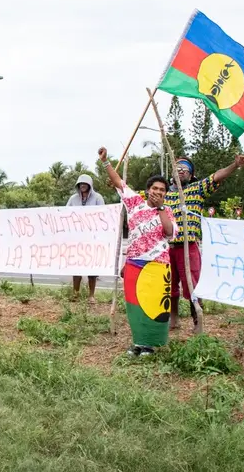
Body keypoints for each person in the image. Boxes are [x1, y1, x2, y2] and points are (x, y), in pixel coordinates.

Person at [99, 147, 177, 356]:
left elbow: (169, 233)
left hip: (157, 266)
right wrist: (106, 162)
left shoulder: (167, 211)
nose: (158, 192)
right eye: (155, 188)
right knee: (135, 305)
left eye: (162, 190)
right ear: (148, 190)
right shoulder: (135, 203)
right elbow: (119, 183)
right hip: (134, 264)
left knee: (154, 305)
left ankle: (152, 344)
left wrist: (161, 209)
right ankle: (138, 342)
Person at [163, 155, 244, 329]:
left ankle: (197, 320)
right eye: (177, 169)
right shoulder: (164, 192)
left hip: (189, 246)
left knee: (193, 285)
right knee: (169, 285)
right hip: (167, 247)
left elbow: (217, 176)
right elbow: (137, 196)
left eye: (184, 170)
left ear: (191, 174)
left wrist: (234, 165)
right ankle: (173, 319)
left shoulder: (197, 189)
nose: (180, 172)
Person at [65, 173, 105, 303]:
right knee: (76, 267)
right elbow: (65, 214)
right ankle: (75, 294)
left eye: (85, 183)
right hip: (77, 239)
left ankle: (91, 295)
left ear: (90, 185)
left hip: (92, 239)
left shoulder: (98, 198)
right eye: (80, 184)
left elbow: (103, 215)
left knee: (92, 268)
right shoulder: (73, 199)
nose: (82, 185)